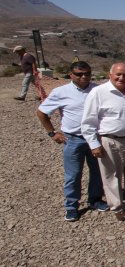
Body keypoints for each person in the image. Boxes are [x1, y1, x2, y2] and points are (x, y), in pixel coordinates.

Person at [37, 61, 106, 222]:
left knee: (97, 172)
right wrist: (52, 133)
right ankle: (71, 206)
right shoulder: (61, 92)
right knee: (73, 174)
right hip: (73, 139)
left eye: (87, 74)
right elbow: (42, 112)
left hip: (95, 138)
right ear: (71, 75)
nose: (84, 77)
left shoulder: (97, 90)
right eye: (79, 74)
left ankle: (95, 199)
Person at [81, 63, 125, 222]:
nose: (121, 77)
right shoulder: (98, 92)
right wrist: (93, 144)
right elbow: (88, 122)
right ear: (110, 75)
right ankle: (117, 207)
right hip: (110, 140)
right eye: (118, 74)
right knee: (111, 175)